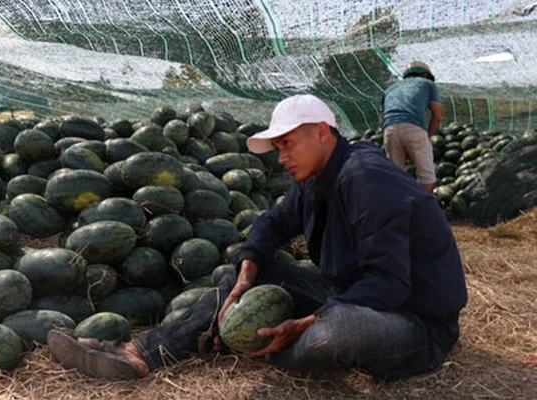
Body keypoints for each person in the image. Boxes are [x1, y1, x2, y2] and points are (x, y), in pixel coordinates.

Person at [47, 94, 468, 381]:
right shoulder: (317, 178)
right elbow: (273, 223)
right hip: (351, 295)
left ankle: (254, 343)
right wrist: (249, 270)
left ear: (323, 132)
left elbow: (390, 282)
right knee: (248, 271)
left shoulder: (365, 177)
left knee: (332, 333)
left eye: (287, 144)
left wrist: (311, 320)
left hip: (416, 321)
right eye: (278, 148)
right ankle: (142, 354)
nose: (282, 157)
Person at [382, 61, 443, 192]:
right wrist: (427, 137)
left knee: (395, 179)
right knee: (427, 179)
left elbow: (383, 116)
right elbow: (437, 116)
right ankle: (424, 210)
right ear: (426, 75)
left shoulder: (389, 90)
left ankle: (399, 210)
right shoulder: (428, 84)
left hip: (389, 130)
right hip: (413, 127)